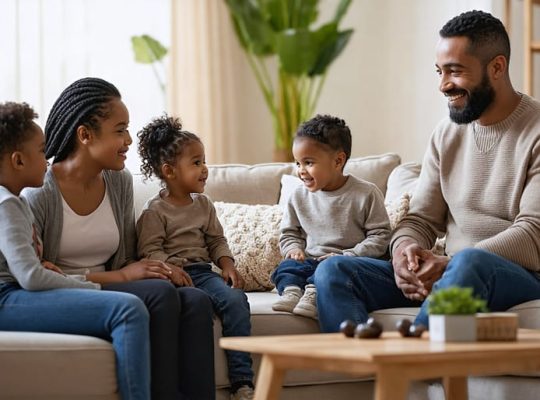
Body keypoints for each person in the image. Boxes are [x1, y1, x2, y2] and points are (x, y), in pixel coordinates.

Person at [314, 10, 540, 333]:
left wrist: (450, 264)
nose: (443, 85)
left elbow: (534, 235)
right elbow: (420, 219)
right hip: (451, 274)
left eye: (455, 72)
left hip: (516, 275)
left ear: (497, 67)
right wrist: (404, 255)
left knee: (468, 262)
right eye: (439, 71)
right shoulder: (446, 133)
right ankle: (369, 374)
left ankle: (409, 365)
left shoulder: (535, 131)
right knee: (333, 271)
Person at [22, 78, 215, 400]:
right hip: (74, 289)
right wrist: (123, 275)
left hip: (114, 281)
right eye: (120, 130)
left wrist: (153, 267)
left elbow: (125, 256)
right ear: (85, 135)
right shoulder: (39, 192)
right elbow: (43, 275)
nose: (129, 140)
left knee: (196, 300)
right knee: (160, 294)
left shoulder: (118, 181)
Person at [0, 101, 151, 400]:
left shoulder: (14, 202)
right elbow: (29, 277)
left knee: (128, 305)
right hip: (6, 298)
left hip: (13, 293)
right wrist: (88, 284)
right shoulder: (6, 205)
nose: (48, 158)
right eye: (42, 151)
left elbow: (29, 266)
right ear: (18, 161)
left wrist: (43, 267)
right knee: (127, 309)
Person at [135, 115, 255, 400]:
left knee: (236, 300)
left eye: (204, 161)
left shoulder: (203, 204)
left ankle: (242, 381)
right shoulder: (154, 211)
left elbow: (216, 240)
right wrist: (172, 270)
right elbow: (149, 251)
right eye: (197, 163)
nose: (205, 169)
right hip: (171, 277)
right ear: (170, 171)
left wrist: (227, 265)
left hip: (203, 273)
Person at [271, 114, 391, 319]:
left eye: (308, 162)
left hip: (346, 265)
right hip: (310, 261)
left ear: (338, 160)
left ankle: (314, 292)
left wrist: (350, 254)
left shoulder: (366, 193)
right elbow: (289, 233)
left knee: (326, 272)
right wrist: (293, 249)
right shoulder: (298, 196)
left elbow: (380, 236)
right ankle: (293, 291)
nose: (301, 171)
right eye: (297, 163)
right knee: (286, 268)